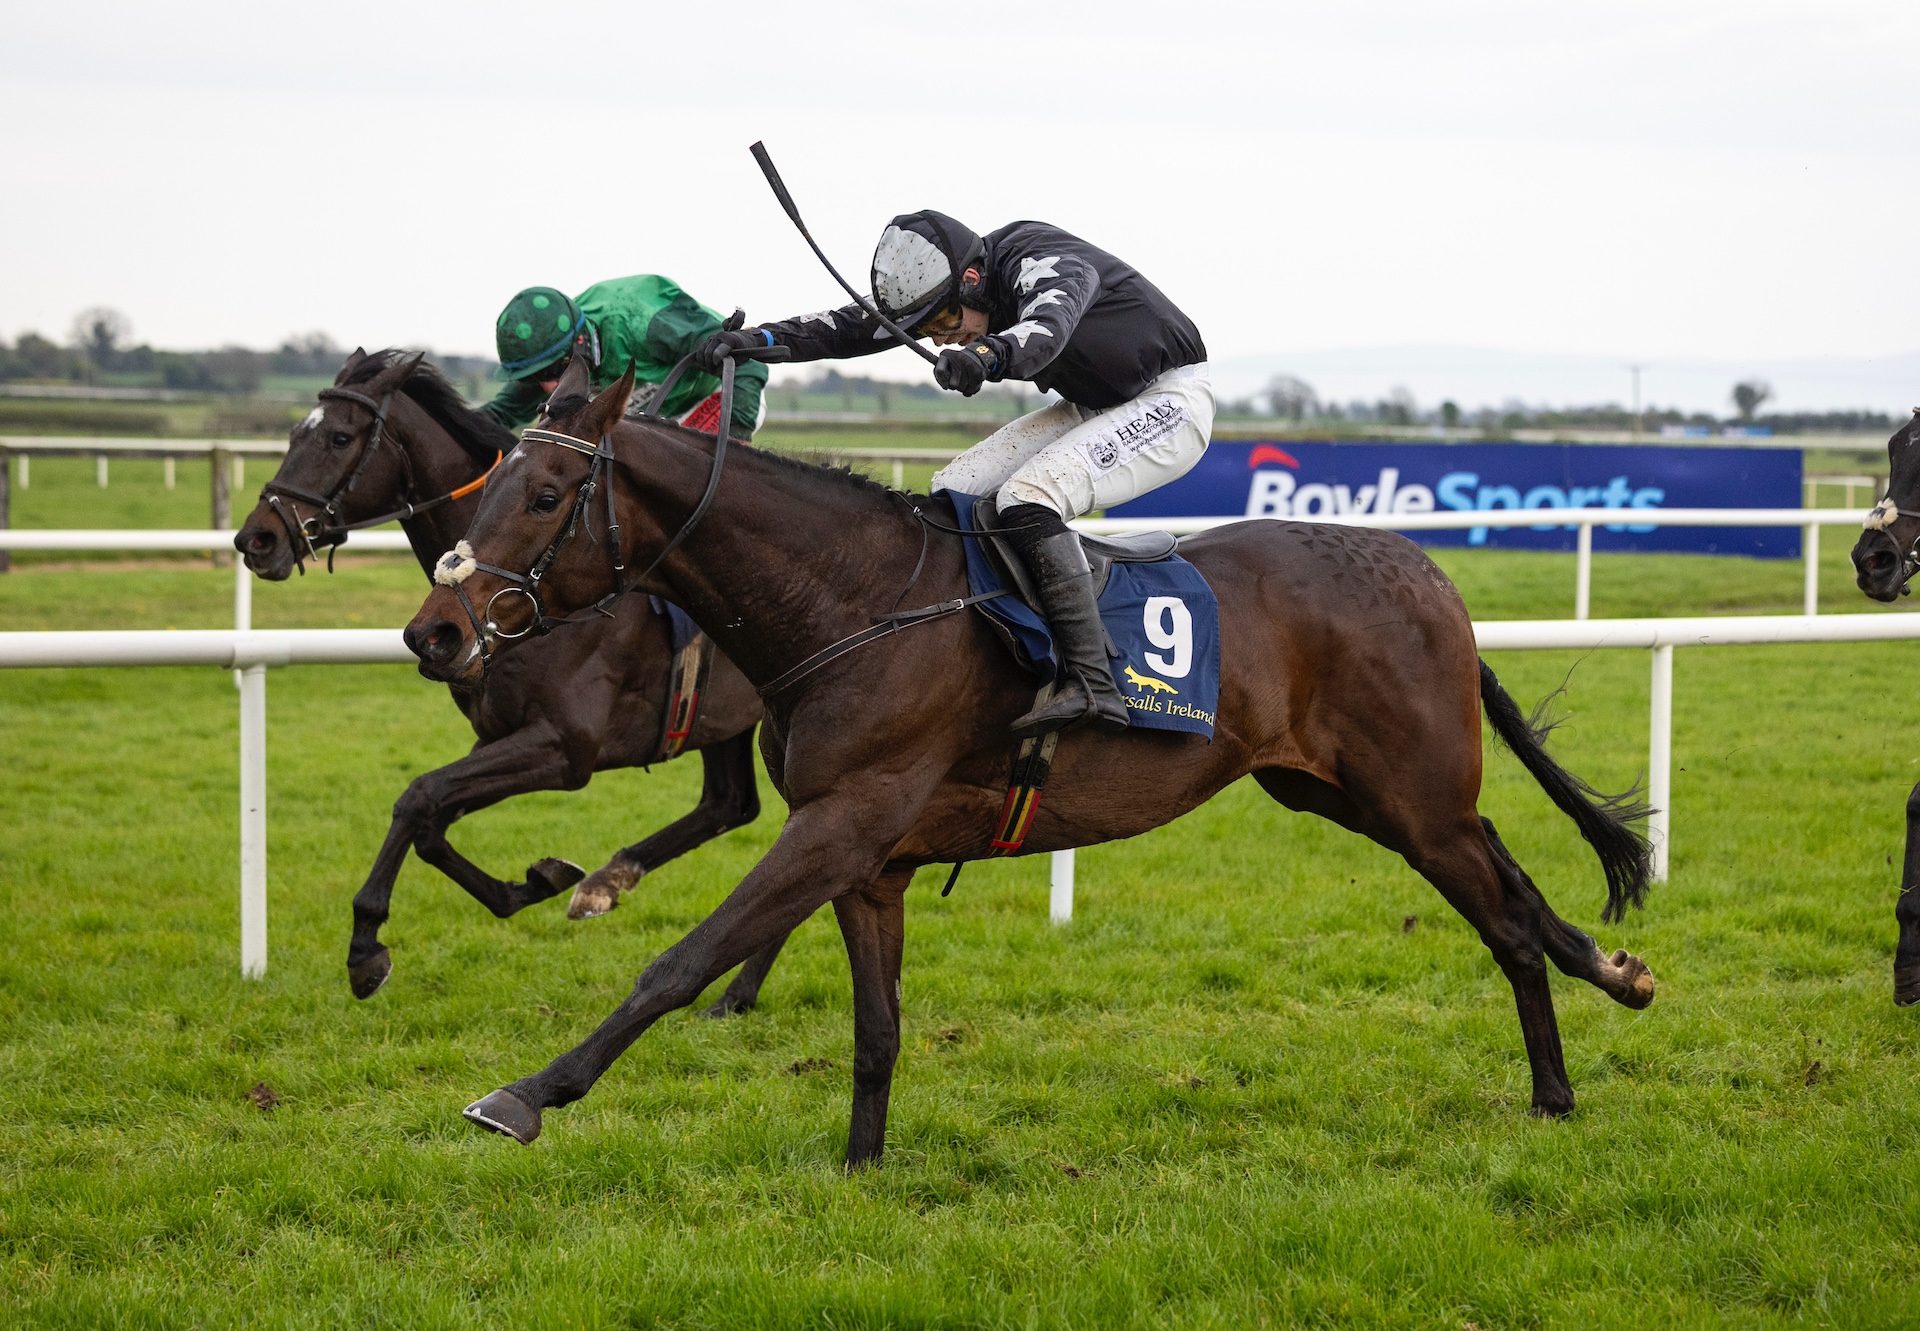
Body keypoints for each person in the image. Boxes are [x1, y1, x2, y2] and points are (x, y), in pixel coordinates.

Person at [694, 211, 1212, 737]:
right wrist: (758, 339)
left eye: (944, 324)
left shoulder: (1043, 260)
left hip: (1170, 400)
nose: (941, 340)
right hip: (1095, 405)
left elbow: (1047, 328)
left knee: (1028, 497)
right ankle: (983, 655)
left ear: (971, 280)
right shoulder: (958, 283)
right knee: (952, 492)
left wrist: (987, 355)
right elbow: (850, 328)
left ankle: (1094, 684)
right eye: (929, 331)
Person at [482, 275, 767, 438]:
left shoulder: (642, 323)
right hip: (648, 416)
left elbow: (747, 363)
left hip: (711, 396)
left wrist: (736, 439)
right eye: (534, 378)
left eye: (554, 371)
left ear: (580, 340)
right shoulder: (548, 353)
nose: (547, 387)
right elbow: (495, 417)